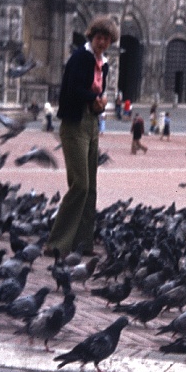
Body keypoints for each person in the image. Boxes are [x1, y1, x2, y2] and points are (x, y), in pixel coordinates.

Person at [44, 15, 119, 258]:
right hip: (74, 123)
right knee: (80, 184)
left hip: (91, 122)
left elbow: (97, 91)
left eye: (107, 39)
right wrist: (93, 99)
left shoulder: (103, 63)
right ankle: (56, 244)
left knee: (91, 187)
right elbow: (73, 89)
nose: (103, 42)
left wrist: (101, 103)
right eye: (99, 37)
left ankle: (82, 243)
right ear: (92, 36)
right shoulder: (80, 58)